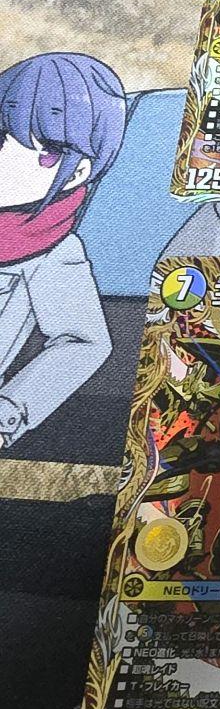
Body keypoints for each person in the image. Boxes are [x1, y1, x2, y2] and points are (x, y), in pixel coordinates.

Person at [0, 53, 127, 448]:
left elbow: (82, 342)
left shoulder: (51, 250)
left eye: (42, 151)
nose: (5, 160)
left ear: (79, 172)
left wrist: (9, 411)